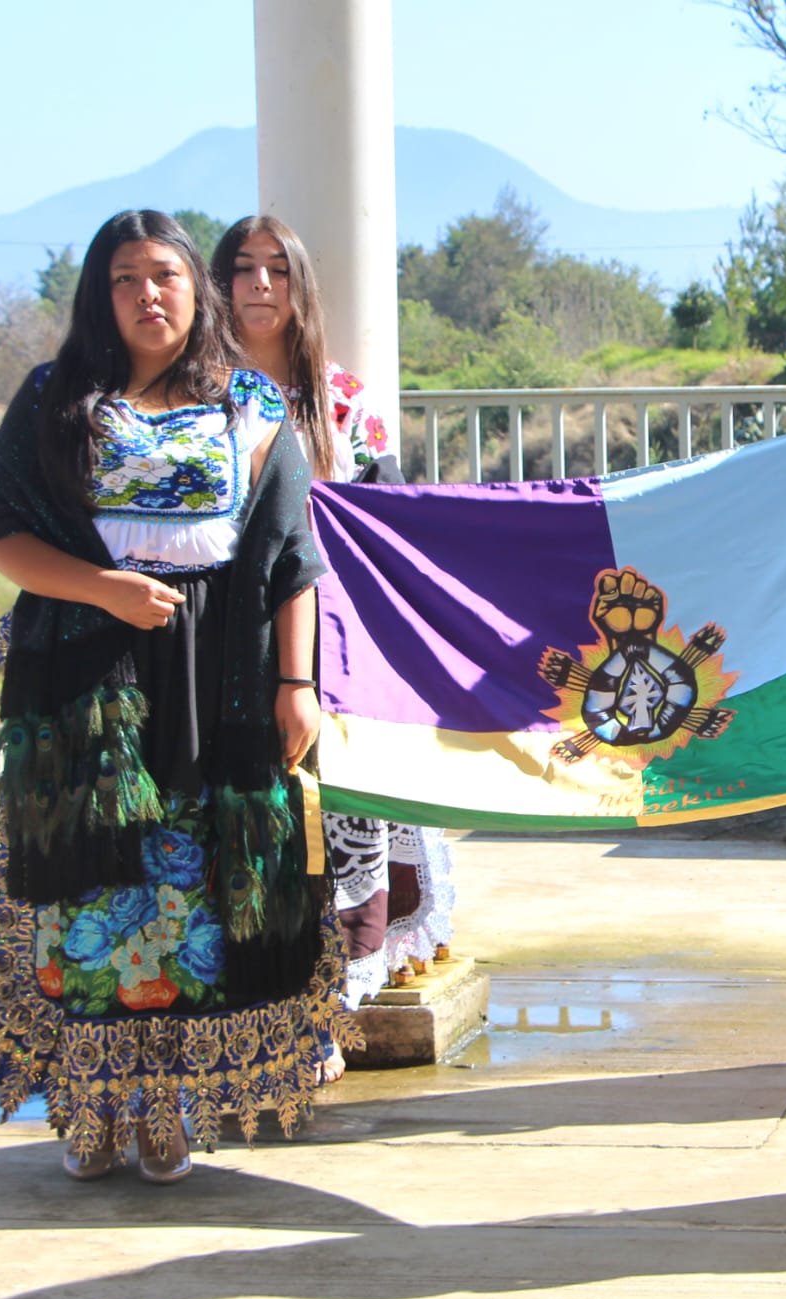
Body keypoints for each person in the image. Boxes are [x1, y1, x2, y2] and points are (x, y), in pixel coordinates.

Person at [0, 209, 352, 1183]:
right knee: (86, 897)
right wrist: (99, 586)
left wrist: (295, 685)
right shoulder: (57, 402)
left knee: (185, 906)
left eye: (168, 276)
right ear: (102, 295)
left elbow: (290, 562)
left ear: (199, 292)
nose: (149, 295)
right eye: (127, 278)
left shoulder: (253, 409)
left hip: (210, 692)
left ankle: (166, 1111)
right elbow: (0, 535)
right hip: (83, 699)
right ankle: (89, 1108)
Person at [211, 215, 455, 1081]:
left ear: (301, 285)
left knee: (341, 825)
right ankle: (249, 1012)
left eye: (279, 269)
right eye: (243, 269)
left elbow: (389, 531)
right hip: (222, 648)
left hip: (338, 653)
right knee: (248, 834)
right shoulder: (194, 396)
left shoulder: (342, 402)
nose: (261, 285)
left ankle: (330, 1008)